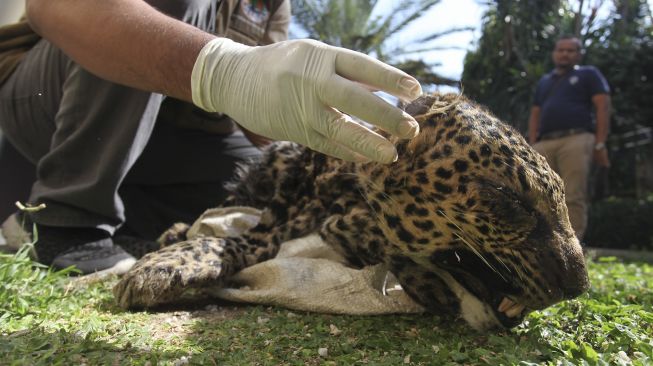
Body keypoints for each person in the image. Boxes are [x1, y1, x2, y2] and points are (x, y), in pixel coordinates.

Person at [0, 0, 423, 274]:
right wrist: (221, 68)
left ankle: (131, 228)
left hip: (168, 135)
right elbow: (50, 7)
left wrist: (325, 140)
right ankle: (64, 222)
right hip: (48, 101)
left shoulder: (273, 5)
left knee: (261, 191)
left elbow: (261, 121)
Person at [528, 35, 610, 240]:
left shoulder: (588, 74)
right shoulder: (545, 82)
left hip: (577, 138)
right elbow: (536, 113)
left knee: (573, 194)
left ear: (579, 54)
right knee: (539, 195)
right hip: (544, 142)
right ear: (554, 53)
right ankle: (545, 244)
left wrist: (600, 143)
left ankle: (573, 246)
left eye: (570, 50)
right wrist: (531, 144)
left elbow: (603, 105)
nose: (565, 54)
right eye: (561, 50)